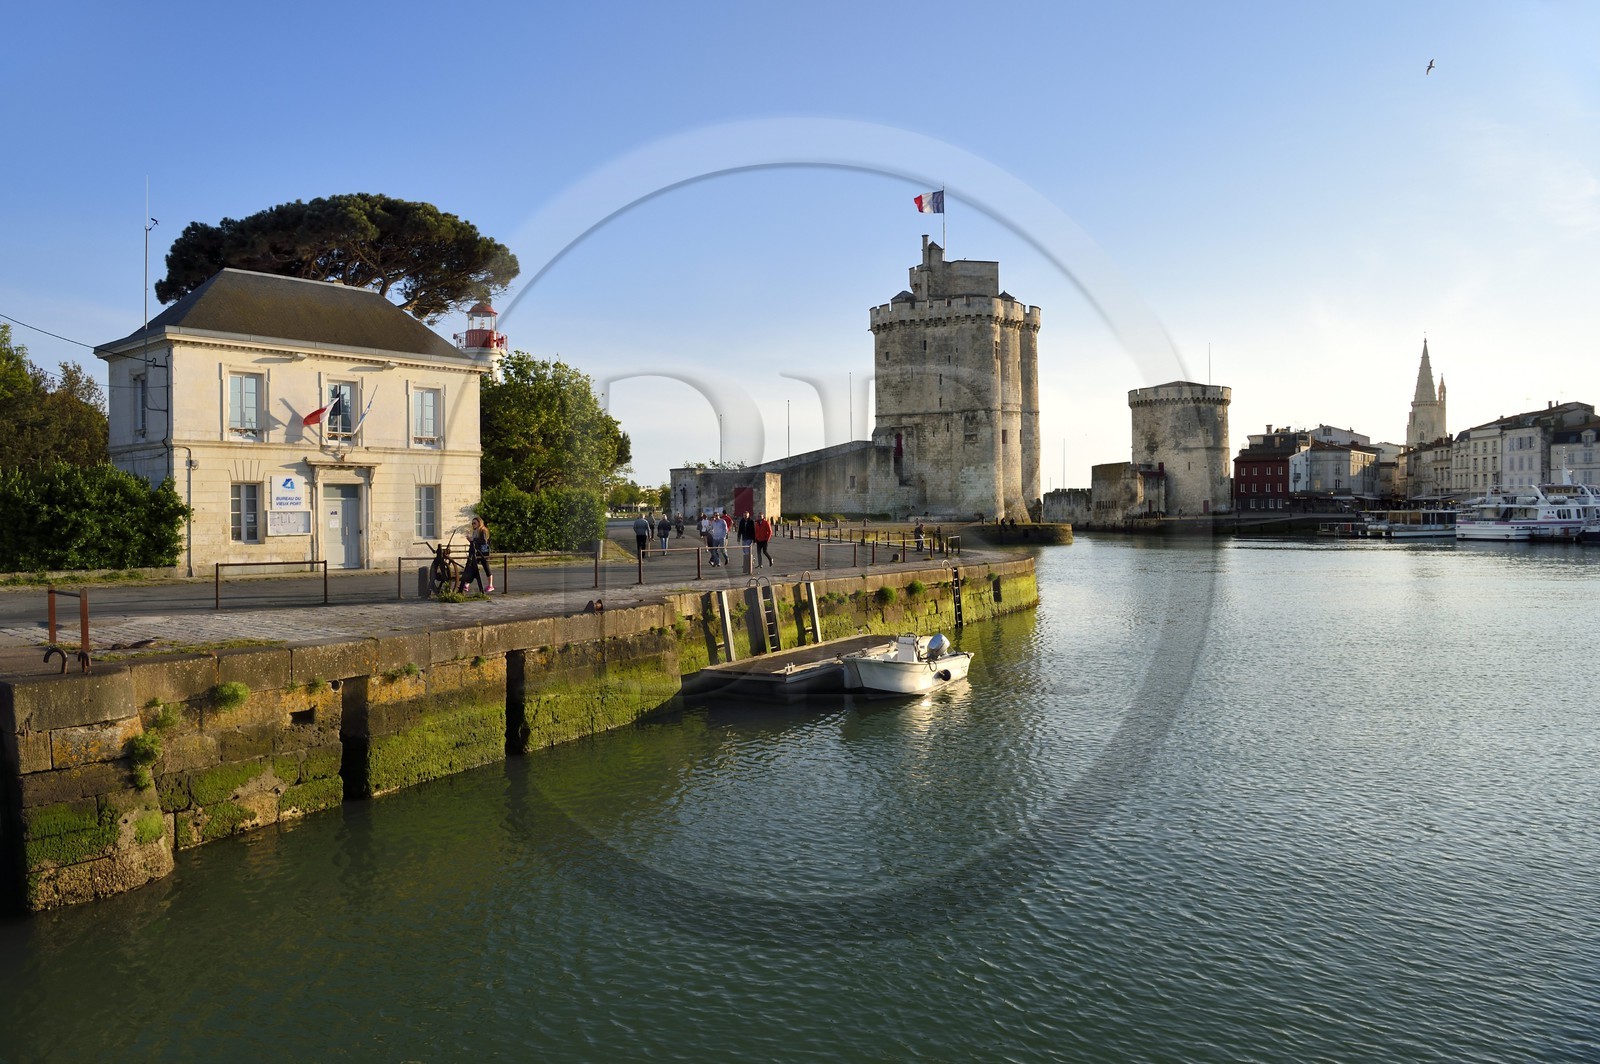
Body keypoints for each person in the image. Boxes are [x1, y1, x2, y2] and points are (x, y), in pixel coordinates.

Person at [459, 515, 492, 594]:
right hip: (476, 552)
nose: (473, 525)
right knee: (472, 567)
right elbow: (474, 542)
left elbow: (483, 541)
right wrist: (470, 540)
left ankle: (490, 585)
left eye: (474, 523)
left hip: (483, 552)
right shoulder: (475, 531)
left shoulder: (483, 530)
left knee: (486, 567)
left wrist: (473, 539)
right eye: (472, 523)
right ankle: (467, 584)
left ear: (479, 523)